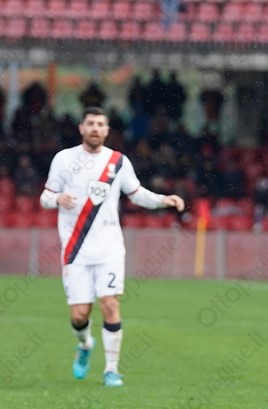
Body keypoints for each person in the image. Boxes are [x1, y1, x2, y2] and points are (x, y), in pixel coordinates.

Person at [39, 107, 185, 387]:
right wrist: (56, 199)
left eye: (100, 124)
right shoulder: (64, 159)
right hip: (75, 248)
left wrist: (163, 200)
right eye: (90, 123)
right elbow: (45, 196)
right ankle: (85, 344)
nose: (95, 128)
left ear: (107, 130)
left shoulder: (118, 161)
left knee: (109, 304)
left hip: (109, 248)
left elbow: (136, 194)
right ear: (81, 128)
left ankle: (111, 370)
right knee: (79, 315)